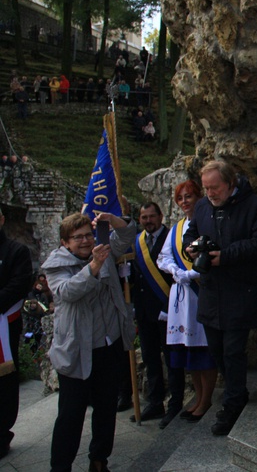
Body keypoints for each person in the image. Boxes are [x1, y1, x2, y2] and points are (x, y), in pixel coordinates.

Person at [183, 160, 257, 436]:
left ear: (231, 183)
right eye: (206, 188)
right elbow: (192, 232)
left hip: (240, 289)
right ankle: (238, 392)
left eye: (215, 187)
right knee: (217, 351)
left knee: (233, 350)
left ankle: (232, 403)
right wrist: (191, 247)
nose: (210, 193)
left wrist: (226, 256)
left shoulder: (254, 205)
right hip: (211, 291)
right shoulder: (201, 206)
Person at [42, 212, 136, 472]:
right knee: (70, 416)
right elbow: (68, 292)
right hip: (76, 352)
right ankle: (60, 468)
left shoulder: (102, 250)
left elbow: (128, 233)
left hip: (109, 346)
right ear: (65, 242)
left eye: (88, 234)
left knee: (106, 410)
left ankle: (99, 460)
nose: (85, 241)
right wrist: (94, 266)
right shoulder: (55, 265)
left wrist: (112, 219)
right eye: (77, 237)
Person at [157, 180, 218, 424]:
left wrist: (192, 274)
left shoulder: (208, 221)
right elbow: (164, 256)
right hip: (181, 296)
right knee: (187, 349)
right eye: (180, 198)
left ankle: (206, 399)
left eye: (189, 196)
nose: (184, 201)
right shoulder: (176, 229)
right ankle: (198, 396)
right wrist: (174, 270)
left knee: (203, 348)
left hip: (200, 292)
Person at [130, 203, 184, 429]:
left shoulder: (172, 239)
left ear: (161, 216)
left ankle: (176, 403)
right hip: (144, 311)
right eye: (144, 217)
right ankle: (155, 401)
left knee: (172, 359)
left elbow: (175, 275)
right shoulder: (136, 241)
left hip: (167, 310)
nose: (148, 220)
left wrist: (166, 305)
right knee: (151, 358)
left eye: (152, 216)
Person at [0, 207, 34, 460]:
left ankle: (2, 434)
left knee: (4, 381)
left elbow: (19, 284)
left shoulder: (16, 251)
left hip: (4, 326)